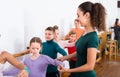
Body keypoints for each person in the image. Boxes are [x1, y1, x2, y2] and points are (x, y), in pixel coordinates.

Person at [58, 1, 106, 77]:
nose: (77, 18)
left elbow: (90, 66)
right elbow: (80, 51)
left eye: (78, 15)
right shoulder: (84, 33)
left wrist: (67, 70)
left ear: (86, 15)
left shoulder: (92, 37)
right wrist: (65, 57)